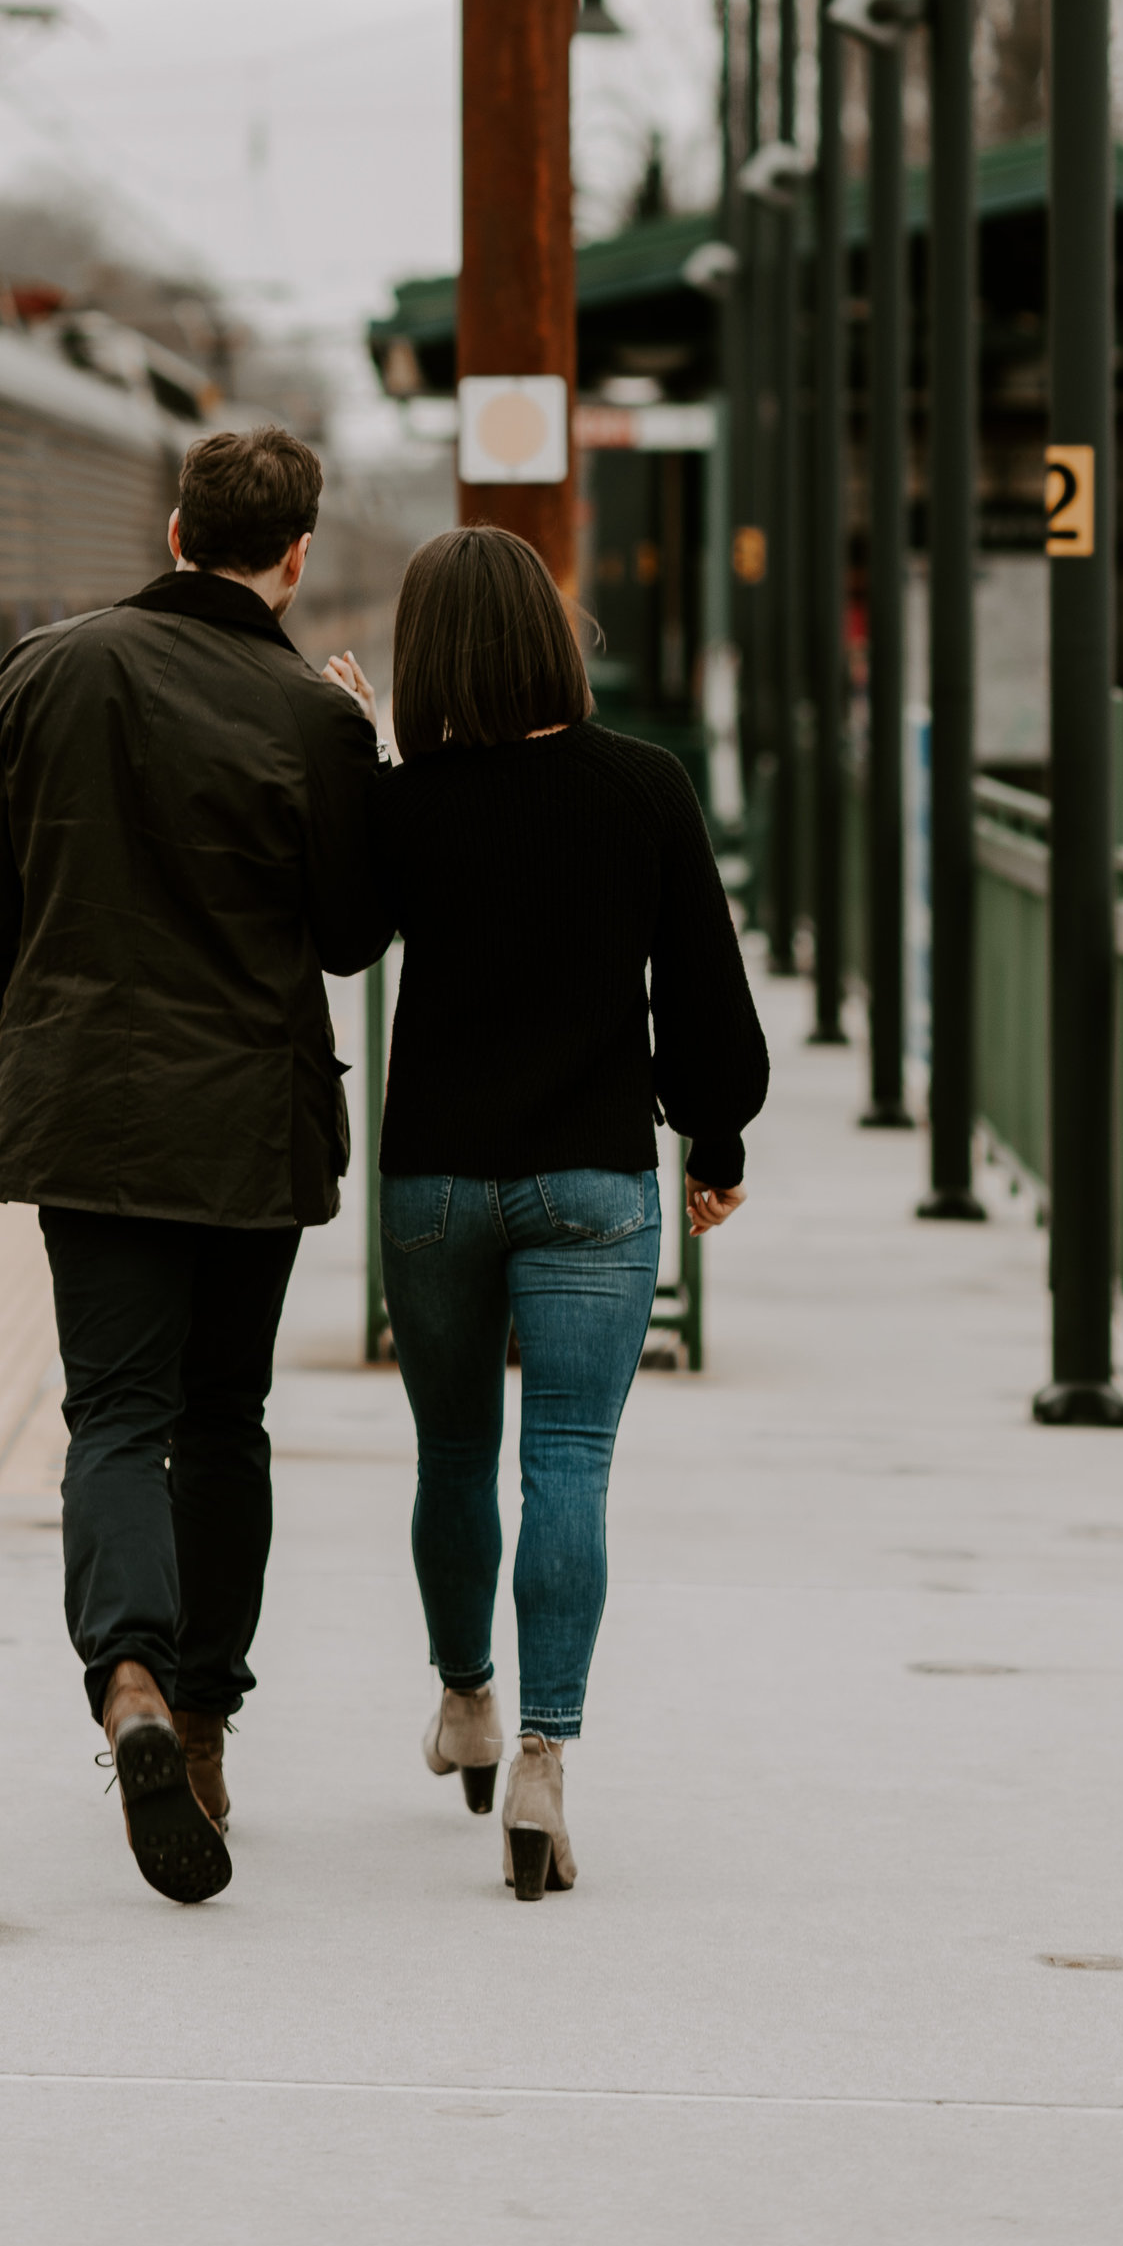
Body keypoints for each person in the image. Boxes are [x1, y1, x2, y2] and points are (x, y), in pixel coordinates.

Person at [0, 423, 385, 1906]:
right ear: (296, 553)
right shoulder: (307, 715)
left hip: (89, 1107)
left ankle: (122, 1674)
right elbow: (348, 936)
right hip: (247, 1119)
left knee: (114, 1413)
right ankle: (198, 1728)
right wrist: (364, 754)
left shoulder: (47, 670)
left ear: (176, 526)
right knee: (224, 1419)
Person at [349, 522, 768, 1901]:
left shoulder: (412, 803)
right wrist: (714, 1136)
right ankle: (540, 1755)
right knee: (570, 1464)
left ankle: (465, 1693)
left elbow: (343, 932)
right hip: (592, 1180)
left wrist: (369, 775)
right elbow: (708, 994)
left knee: (453, 1450)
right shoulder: (642, 786)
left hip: (436, 1182)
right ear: (550, 635)